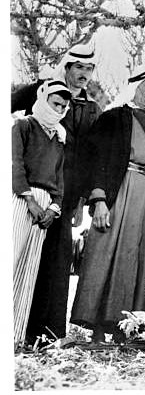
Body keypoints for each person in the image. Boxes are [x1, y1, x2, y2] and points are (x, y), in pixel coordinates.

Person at [12, 44, 102, 344]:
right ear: (67, 67)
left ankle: (47, 335)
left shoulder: (92, 108)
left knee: (56, 264)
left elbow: (91, 157)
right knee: (23, 256)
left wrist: (80, 203)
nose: (84, 75)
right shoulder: (42, 90)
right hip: (29, 189)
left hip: (64, 196)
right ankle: (16, 326)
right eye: (79, 68)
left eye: (89, 70)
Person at [70, 65, 145, 343]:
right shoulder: (113, 118)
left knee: (141, 260)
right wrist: (99, 199)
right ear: (134, 85)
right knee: (107, 256)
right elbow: (96, 159)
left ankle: (129, 330)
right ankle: (99, 329)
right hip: (117, 190)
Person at [12, 80, 72, 346]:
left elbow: (59, 179)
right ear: (43, 99)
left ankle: (14, 334)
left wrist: (53, 208)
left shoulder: (59, 137)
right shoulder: (23, 126)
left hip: (44, 205)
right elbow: (13, 164)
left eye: (63, 105)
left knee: (28, 270)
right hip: (20, 198)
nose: (58, 109)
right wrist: (29, 200)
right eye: (54, 103)